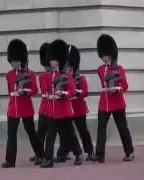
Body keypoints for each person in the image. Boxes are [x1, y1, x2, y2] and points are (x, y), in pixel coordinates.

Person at [2, 39, 44, 168]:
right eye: (13, 61)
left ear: (21, 60)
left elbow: (35, 90)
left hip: (25, 107)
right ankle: (10, 160)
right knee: (11, 134)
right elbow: (10, 91)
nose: (14, 63)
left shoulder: (29, 73)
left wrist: (25, 92)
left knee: (31, 132)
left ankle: (41, 155)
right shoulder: (8, 75)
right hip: (13, 108)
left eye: (17, 61)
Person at [40, 39, 83, 168]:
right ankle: (48, 159)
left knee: (69, 134)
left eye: (53, 59)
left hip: (64, 110)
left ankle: (78, 153)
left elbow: (71, 91)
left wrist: (62, 94)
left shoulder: (66, 76)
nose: (51, 62)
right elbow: (46, 92)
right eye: (51, 59)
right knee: (50, 136)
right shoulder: (47, 76)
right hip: (52, 111)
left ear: (59, 60)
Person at [95, 34, 135, 163]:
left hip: (117, 102)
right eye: (102, 55)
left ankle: (129, 151)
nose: (103, 58)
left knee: (122, 128)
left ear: (111, 54)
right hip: (104, 103)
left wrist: (116, 89)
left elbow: (125, 86)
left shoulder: (119, 68)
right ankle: (100, 154)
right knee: (101, 128)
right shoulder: (100, 70)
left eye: (105, 55)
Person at [56, 45, 95, 161]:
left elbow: (85, 92)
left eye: (70, 66)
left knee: (83, 130)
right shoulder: (62, 78)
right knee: (65, 132)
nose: (68, 68)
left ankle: (90, 151)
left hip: (78, 107)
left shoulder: (80, 78)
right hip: (67, 107)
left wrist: (77, 92)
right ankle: (64, 152)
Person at [29, 42, 51, 162]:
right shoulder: (42, 76)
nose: (46, 67)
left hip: (54, 107)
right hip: (44, 107)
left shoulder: (55, 75)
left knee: (63, 132)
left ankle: (65, 151)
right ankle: (39, 154)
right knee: (41, 132)